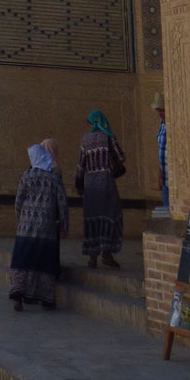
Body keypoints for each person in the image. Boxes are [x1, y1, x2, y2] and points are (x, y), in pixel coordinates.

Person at [9, 138, 68, 311]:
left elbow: (18, 201)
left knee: (23, 259)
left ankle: (18, 297)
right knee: (44, 261)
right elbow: (62, 203)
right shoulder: (53, 178)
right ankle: (46, 299)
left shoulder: (27, 176)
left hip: (26, 228)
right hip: (47, 228)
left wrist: (19, 219)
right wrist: (64, 224)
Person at [77, 110, 125, 267]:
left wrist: (79, 184)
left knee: (93, 218)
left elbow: (80, 166)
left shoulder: (85, 140)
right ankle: (107, 254)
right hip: (107, 184)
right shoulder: (108, 137)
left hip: (91, 185)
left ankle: (92, 258)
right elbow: (121, 157)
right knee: (109, 217)